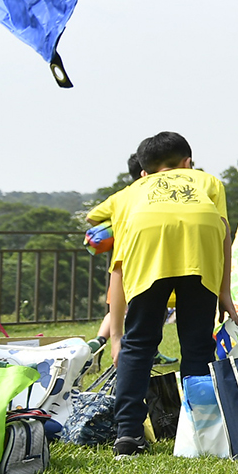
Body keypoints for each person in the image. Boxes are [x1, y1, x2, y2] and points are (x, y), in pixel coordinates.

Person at [99, 132, 238, 458]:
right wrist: (224, 291)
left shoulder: (130, 192)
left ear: (144, 172)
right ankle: (201, 433)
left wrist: (117, 334)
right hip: (201, 248)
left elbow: (117, 263)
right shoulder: (208, 182)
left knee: (140, 344)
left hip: (147, 244)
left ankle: (128, 437)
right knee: (197, 344)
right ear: (187, 162)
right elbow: (224, 234)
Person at [89, 151, 145, 365]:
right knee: (151, 309)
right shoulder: (147, 195)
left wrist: (111, 228)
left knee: (117, 309)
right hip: (145, 263)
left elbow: (91, 216)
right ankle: (139, 349)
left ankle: (98, 342)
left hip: (120, 264)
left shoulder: (120, 196)